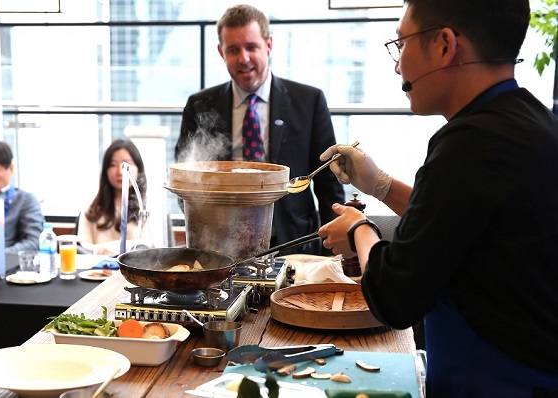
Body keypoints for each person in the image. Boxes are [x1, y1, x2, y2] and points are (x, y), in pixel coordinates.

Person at [318, 0, 558, 396]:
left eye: (402, 44)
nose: (398, 65)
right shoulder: (529, 118)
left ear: (445, 45)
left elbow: (396, 298)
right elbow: (457, 224)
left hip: (498, 382)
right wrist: (380, 185)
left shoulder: (468, 143)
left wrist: (360, 229)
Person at [175, 4, 344, 255]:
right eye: (233, 50)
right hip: (220, 250)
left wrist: (334, 255)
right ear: (221, 52)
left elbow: (329, 185)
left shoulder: (309, 101)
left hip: (295, 246)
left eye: (251, 47)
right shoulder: (200, 106)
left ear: (269, 45)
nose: (243, 58)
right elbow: (184, 181)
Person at [77, 139, 149, 255]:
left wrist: (115, 247)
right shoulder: (91, 208)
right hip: (98, 269)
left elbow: (148, 244)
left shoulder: (146, 208)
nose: (120, 171)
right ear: (105, 170)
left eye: (127, 164)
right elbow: (83, 245)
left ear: (138, 168)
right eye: (113, 164)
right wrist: (100, 250)